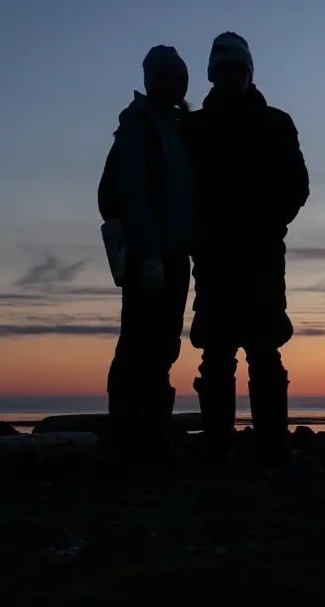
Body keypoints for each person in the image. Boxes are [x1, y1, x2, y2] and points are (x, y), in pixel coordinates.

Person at [189, 32, 309, 466]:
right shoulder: (196, 128)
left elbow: (297, 186)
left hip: (260, 257)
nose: (230, 77)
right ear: (213, 75)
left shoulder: (276, 123)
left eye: (237, 70)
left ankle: (273, 448)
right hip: (214, 258)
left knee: (264, 351)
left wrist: (267, 222)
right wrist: (199, 232)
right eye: (222, 71)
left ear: (249, 72)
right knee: (216, 354)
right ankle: (218, 448)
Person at [99, 45, 196, 462]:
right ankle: (127, 435)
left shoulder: (180, 125)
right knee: (139, 343)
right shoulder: (139, 126)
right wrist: (149, 252)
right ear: (150, 82)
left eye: (178, 78)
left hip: (175, 254)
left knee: (163, 346)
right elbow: (131, 193)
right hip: (147, 255)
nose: (172, 85)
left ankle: (153, 434)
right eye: (164, 78)